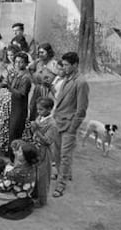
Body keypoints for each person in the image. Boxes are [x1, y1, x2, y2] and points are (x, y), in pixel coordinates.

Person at [52, 52, 89, 198]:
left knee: (65, 155)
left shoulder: (81, 82)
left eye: (67, 65)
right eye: (64, 64)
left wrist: (73, 128)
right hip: (58, 121)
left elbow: (81, 110)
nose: (64, 67)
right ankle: (64, 174)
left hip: (69, 124)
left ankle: (61, 184)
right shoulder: (66, 78)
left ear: (75, 65)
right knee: (56, 153)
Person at [30, 97, 58, 207]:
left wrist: (36, 130)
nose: (38, 112)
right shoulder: (40, 117)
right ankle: (34, 195)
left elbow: (48, 141)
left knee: (43, 176)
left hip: (45, 152)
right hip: (36, 149)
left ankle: (42, 200)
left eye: (41, 109)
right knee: (34, 174)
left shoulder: (52, 124)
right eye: (38, 109)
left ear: (49, 109)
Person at [28, 43, 58, 121]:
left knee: (44, 109)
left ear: (48, 52)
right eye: (39, 52)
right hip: (37, 89)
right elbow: (29, 68)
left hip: (48, 91)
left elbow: (57, 77)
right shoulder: (38, 63)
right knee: (33, 108)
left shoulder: (53, 64)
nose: (40, 54)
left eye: (42, 52)